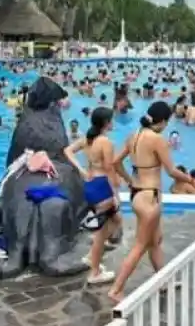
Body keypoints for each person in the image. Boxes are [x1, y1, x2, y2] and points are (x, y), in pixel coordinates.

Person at [107, 101, 195, 302]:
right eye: (167, 122)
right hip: (150, 197)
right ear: (163, 121)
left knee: (155, 241)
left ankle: (162, 282)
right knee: (140, 245)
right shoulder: (157, 139)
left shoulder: (134, 136)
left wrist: (130, 181)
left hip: (138, 193)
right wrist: (191, 181)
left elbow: (115, 162)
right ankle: (116, 289)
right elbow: (171, 171)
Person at [63, 106, 121, 286]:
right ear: (106, 123)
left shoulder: (88, 139)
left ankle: (92, 257)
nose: (113, 122)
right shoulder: (105, 142)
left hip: (90, 184)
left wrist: (81, 170)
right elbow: (110, 169)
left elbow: (67, 151)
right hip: (103, 186)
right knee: (101, 233)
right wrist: (116, 193)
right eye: (111, 119)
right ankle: (94, 271)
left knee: (116, 220)